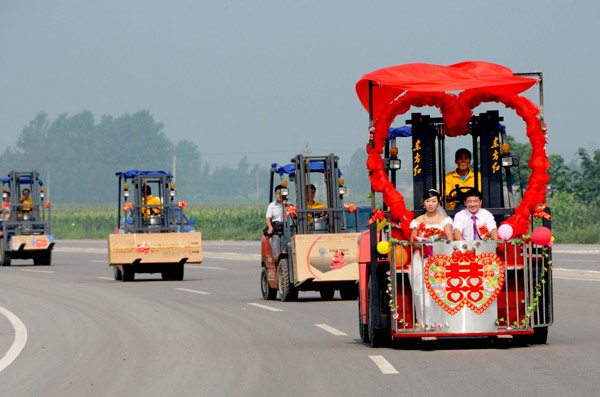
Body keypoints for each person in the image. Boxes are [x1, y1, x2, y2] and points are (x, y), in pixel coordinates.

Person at [408, 189, 453, 326]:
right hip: (422, 258)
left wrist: (439, 242)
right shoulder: (418, 221)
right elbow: (412, 240)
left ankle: (441, 322)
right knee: (421, 289)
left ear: (439, 202)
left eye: (433, 201)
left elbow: (449, 238)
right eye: (428, 201)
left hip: (439, 258)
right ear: (424, 203)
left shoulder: (445, 220)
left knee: (439, 288)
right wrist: (422, 241)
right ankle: (425, 322)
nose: (430, 204)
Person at [265, 184, 294, 260]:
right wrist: (270, 227)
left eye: (281, 193)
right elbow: (268, 218)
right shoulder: (272, 205)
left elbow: (293, 210)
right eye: (278, 193)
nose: (280, 195)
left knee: (287, 241)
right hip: (277, 229)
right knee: (276, 239)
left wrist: (286, 204)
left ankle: (287, 258)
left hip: (288, 228)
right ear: (275, 194)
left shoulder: (290, 203)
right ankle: (276, 258)